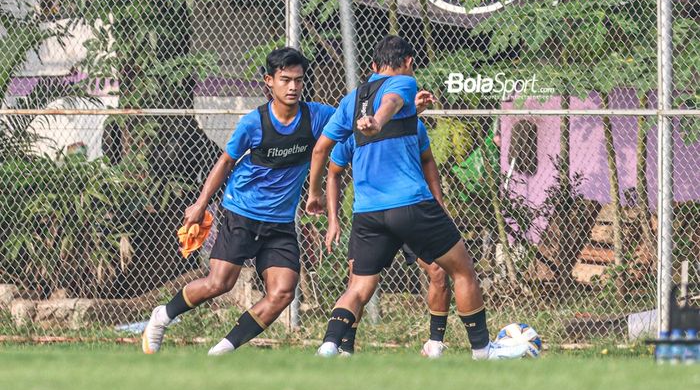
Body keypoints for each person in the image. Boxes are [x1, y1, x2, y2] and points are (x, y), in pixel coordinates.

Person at [306, 35, 528, 360]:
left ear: (371, 67)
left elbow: (320, 149)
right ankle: (482, 351)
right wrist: (377, 121)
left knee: (358, 288)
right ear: (408, 62)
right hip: (409, 203)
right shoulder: (403, 82)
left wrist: (314, 194)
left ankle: (328, 347)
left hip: (368, 212)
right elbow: (391, 103)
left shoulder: (351, 100)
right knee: (462, 269)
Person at [142, 47, 336, 355]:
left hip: (281, 221)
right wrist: (201, 203)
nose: (293, 87)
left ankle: (222, 351)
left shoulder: (317, 116)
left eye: (298, 81)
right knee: (219, 283)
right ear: (269, 81)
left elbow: (352, 120)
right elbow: (225, 162)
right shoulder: (253, 123)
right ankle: (162, 315)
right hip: (242, 212)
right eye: (285, 80)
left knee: (283, 291)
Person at [325, 133, 451, 358]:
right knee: (358, 282)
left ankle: (435, 344)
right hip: (373, 216)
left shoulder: (410, 124)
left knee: (438, 270)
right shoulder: (354, 131)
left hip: (411, 212)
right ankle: (343, 347)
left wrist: (439, 205)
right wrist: (333, 219)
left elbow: (428, 161)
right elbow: (334, 172)